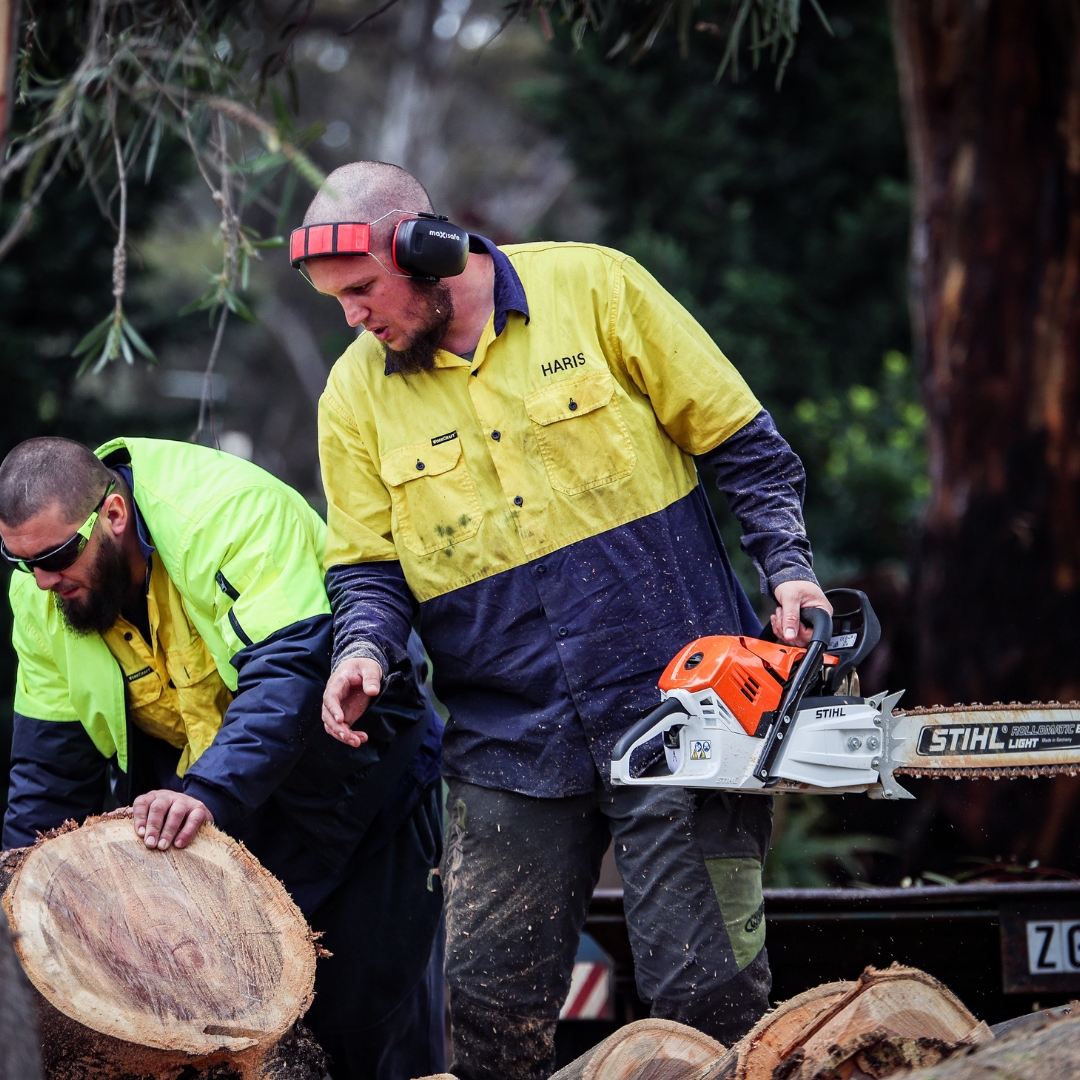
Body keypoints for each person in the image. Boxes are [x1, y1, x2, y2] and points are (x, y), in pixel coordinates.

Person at [304, 161, 832, 1080]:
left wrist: (789, 571)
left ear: (422, 247)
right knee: (486, 1015)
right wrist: (362, 649)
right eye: (336, 301)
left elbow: (747, 448)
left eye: (360, 291)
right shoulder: (354, 397)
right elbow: (369, 569)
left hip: (687, 710)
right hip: (507, 740)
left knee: (708, 1002)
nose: (353, 318)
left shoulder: (595, 287)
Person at [0, 435, 445, 1080]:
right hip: (229, 810)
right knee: (229, 1049)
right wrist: (13, 889)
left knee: (364, 1035)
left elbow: (288, 676)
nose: (44, 580)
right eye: (21, 562)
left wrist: (206, 794)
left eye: (57, 555)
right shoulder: (42, 597)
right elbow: (50, 767)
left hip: (360, 788)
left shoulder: (224, 511)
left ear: (115, 515)